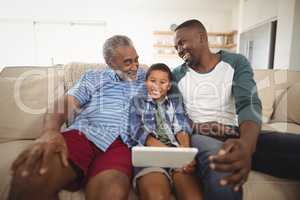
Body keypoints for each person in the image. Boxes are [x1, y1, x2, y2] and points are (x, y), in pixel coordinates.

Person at [172, 19, 300, 200]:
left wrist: (246, 145)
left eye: (182, 42)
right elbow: (175, 116)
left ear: (202, 37)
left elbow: (248, 103)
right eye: (176, 47)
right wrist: (202, 127)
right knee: (222, 162)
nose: (179, 50)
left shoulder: (236, 62)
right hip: (200, 136)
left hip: (237, 133)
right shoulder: (176, 75)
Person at [8, 35, 145, 200]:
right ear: (110, 63)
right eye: (128, 62)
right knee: (30, 174)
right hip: (84, 135)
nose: (135, 66)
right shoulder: (94, 77)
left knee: (112, 193)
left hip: (121, 143)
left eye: (137, 59)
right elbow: (67, 102)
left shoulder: (149, 78)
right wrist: (50, 131)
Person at [129, 63, 203, 200]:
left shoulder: (175, 102)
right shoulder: (137, 101)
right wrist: (166, 152)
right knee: (156, 196)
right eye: (152, 81)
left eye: (162, 82)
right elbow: (136, 130)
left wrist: (185, 154)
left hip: (176, 153)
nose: (157, 85)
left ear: (169, 86)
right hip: (150, 155)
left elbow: (182, 126)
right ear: (146, 83)